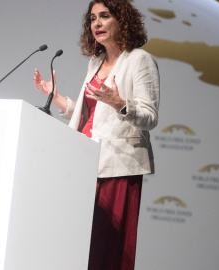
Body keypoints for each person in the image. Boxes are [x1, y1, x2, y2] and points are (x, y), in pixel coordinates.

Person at [33, 0, 159, 269]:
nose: (97, 24)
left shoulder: (140, 60)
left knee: (106, 250)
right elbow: (90, 114)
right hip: (84, 162)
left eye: (104, 16)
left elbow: (149, 117)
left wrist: (120, 103)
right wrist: (56, 99)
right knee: (80, 246)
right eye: (92, 18)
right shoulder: (96, 61)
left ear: (122, 21)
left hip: (117, 167)